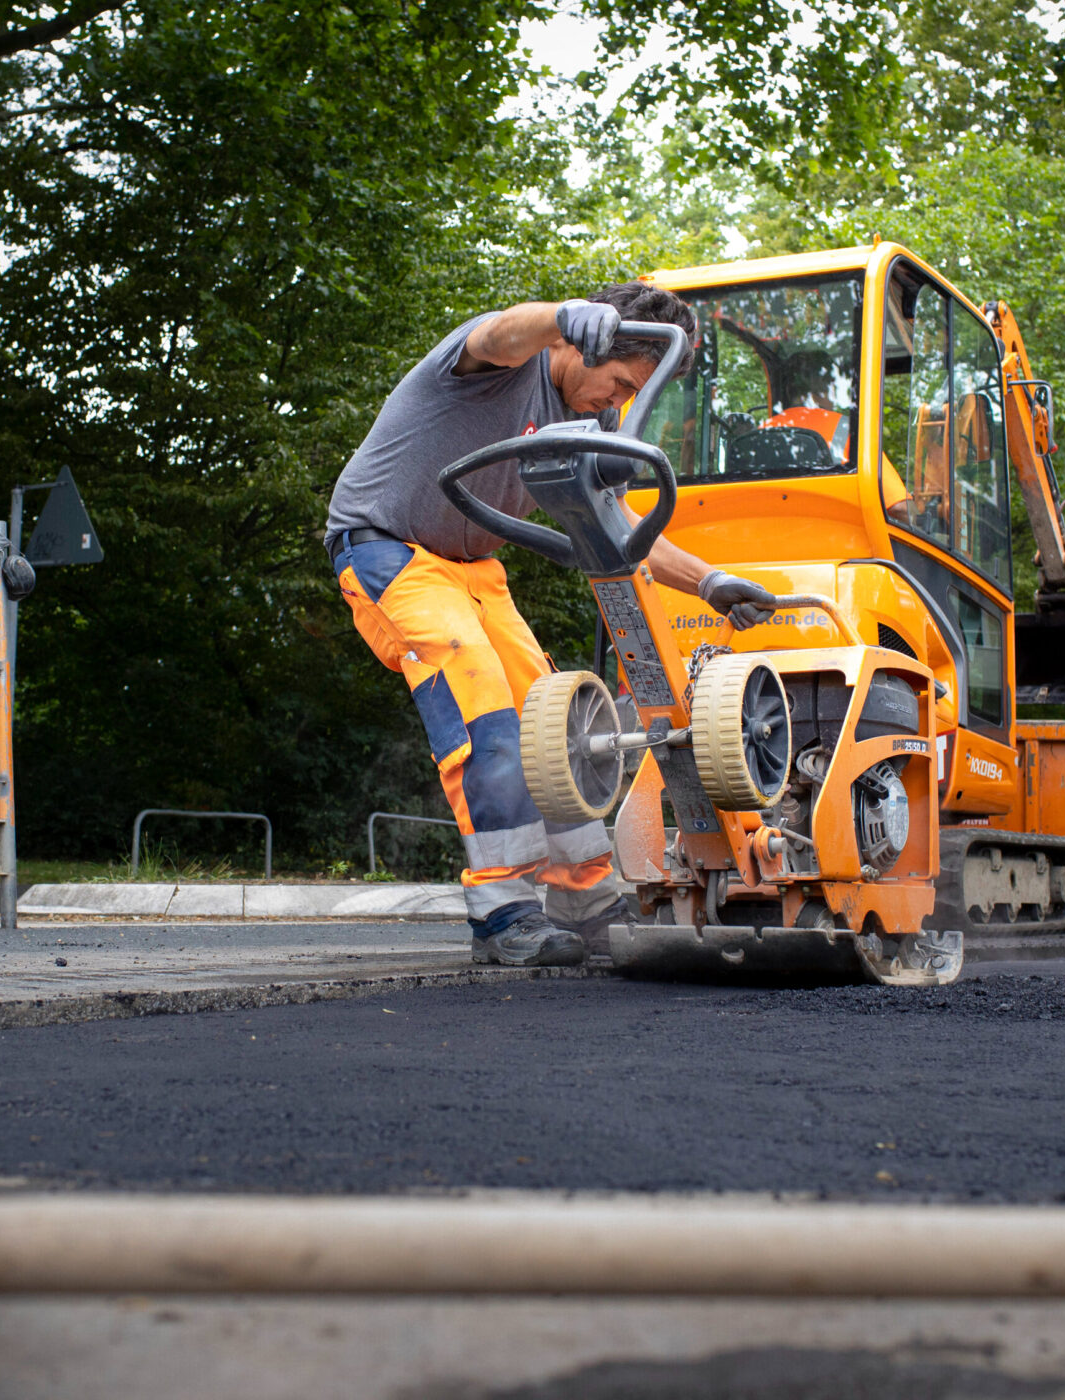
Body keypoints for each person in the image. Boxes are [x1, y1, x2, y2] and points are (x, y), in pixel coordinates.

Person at [325, 284, 779, 968]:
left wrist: (711, 583)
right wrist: (562, 317)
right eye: (621, 382)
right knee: (487, 713)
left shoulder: (584, 429)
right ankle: (502, 909)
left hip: (475, 571)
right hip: (388, 548)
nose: (619, 403)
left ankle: (586, 899)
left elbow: (621, 524)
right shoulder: (505, 359)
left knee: (560, 732)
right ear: (582, 343)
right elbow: (501, 333)